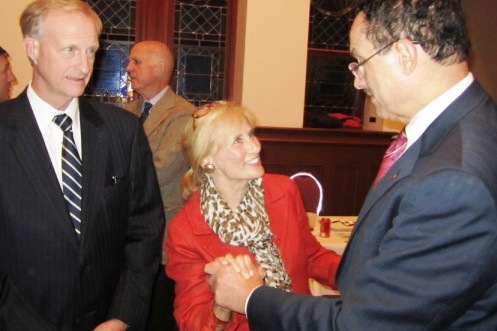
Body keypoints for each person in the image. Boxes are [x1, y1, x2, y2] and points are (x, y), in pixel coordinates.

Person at [205, 0, 497, 330]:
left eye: (360, 62)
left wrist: (249, 297)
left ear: (405, 55)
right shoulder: (466, 126)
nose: (358, 82)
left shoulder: (453, 180)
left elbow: (364, 325)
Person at [0, 1, 164, 330]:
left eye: (91, 51)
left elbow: (144, 230)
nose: (84, 64)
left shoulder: (123, 131)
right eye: (70, 49)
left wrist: (122, 316)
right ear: (32, 48)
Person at [165, 101, 341, 330]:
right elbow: (191, 322)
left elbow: (311, 256)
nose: (255, 146)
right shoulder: (185, 230)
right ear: (207, 160)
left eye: (250, 134)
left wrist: (368, 277)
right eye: (238, 141)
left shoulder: (283, 191)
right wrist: (223, 304)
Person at [124, 40, 196, 330]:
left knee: (157, 316)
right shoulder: (127, 112)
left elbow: (160, 171)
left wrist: (112, 179)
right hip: (125, 234)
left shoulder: (183, 114)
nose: (128, 68)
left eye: (136, 61)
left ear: (160, 68)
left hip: (163, 234)